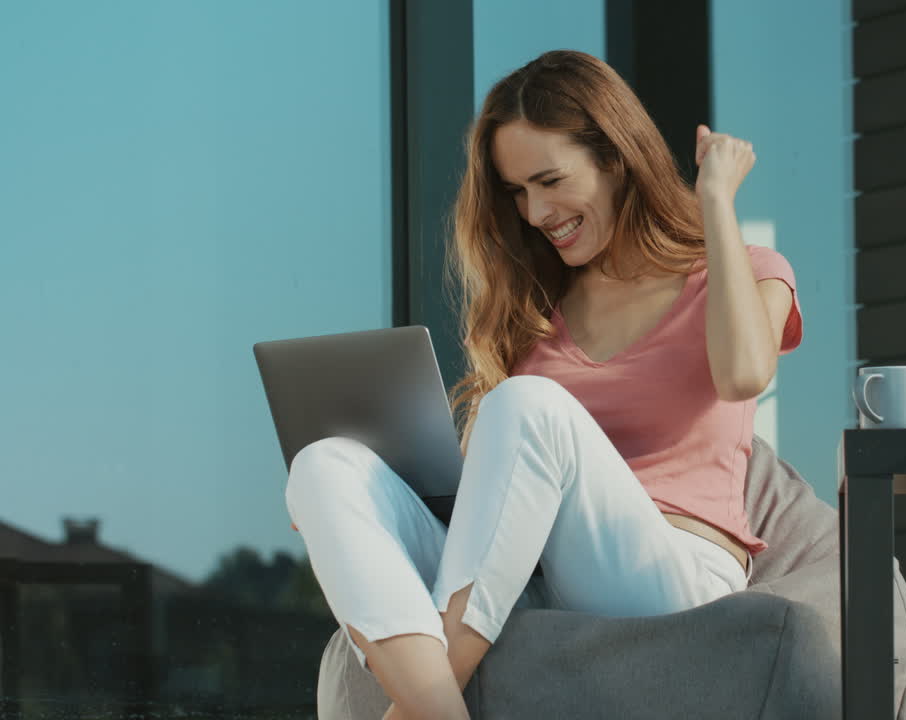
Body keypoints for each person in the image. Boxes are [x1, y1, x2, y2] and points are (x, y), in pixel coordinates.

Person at [285, 49, 803, 720]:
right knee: (323, 466)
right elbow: (491, 510)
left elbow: (743, 375)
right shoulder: (537, 316)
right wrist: (357, 515)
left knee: (525, 403)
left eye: (551, 181)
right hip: (535, 582)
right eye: (517, 191)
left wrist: (715, 201)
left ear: (615, 159)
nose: (535, 212)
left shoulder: (744, 269)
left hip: (674, 575)